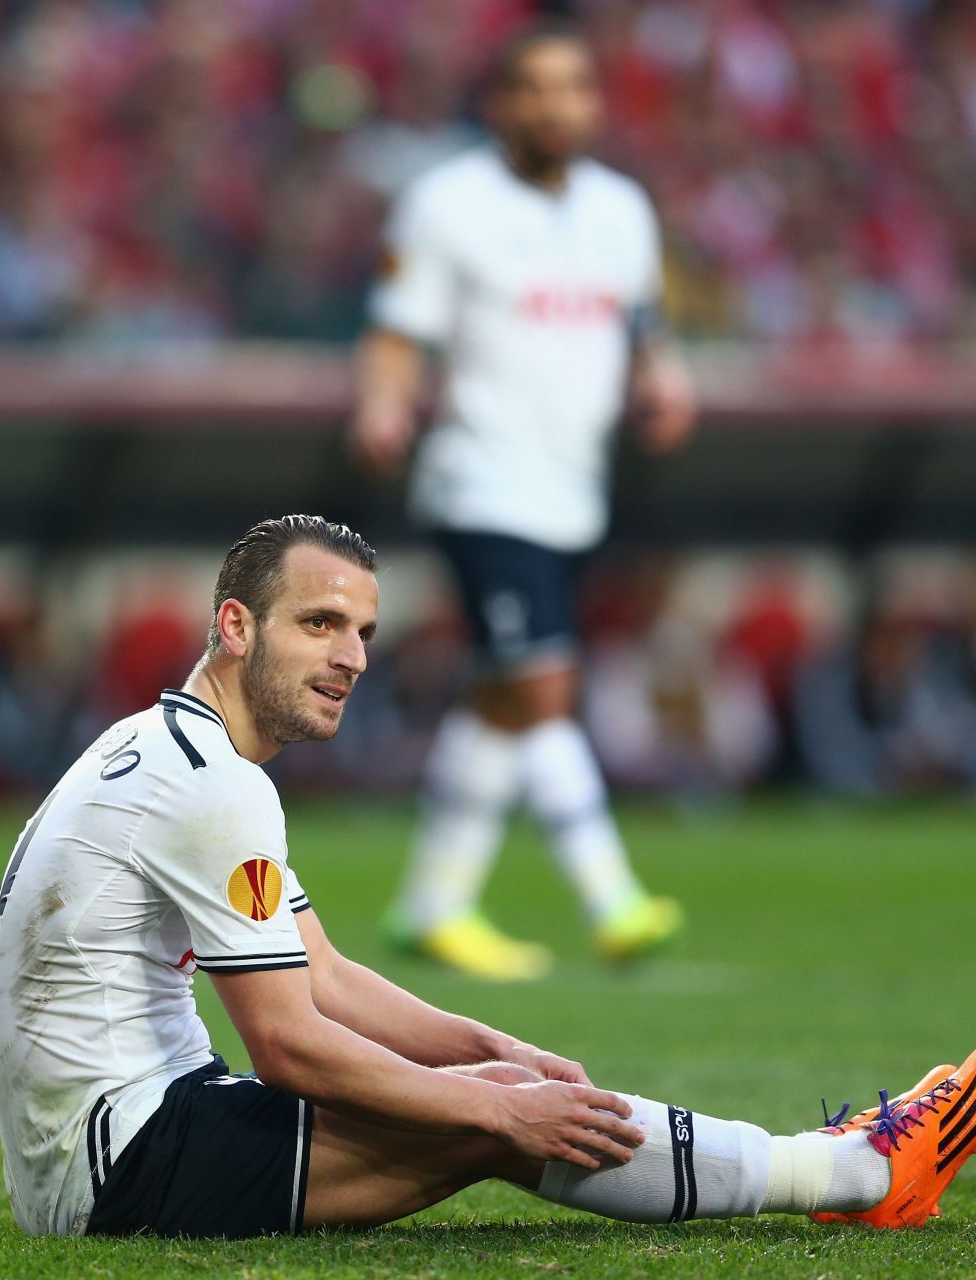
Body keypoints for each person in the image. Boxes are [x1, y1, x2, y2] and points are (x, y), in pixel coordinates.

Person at [0, 514, 976, 1241]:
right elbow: (288, 1041)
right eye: (319, 623)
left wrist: (492, 1047)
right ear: (235, 626)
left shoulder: (175, 749)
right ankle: (858, 1169)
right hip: (124, 1162)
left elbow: (323, 974)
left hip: (105, 1146)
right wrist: (495, 1105)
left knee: (503, 1090)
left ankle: (837, 1163)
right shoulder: (216, 786)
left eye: (364, 632)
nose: (352, 657)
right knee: (501, 1116)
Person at [350, 21, 697, 980]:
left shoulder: (621, 210)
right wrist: (382, 403)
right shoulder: (446, 205)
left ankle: (433, 904)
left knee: (505, 694)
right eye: (534, 88)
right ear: (498, 103)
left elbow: (643, 322)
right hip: (481, 481)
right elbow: (395, 328)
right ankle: (613, 898)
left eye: (574, 86)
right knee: (546, 684)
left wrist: (665, 379)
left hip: (574, 487)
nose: (557, 105)